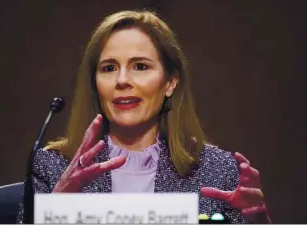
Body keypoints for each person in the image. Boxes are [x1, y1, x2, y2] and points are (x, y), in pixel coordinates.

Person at [16, 10, 271, 224]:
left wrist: (258, 222)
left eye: (140, 66)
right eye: (109, 68)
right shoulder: (53, 168)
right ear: (95, 83)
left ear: (170, 82)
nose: (123, 80)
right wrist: (57, 208)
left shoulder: (219, 171)